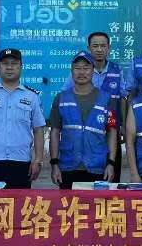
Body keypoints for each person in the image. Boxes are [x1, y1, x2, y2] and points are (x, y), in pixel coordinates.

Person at [0, 48, 46, 188]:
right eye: (5, 63)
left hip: (22, 162)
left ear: (21, 67)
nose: (9, 67)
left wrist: (38, 160)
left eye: (14, 63)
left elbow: (38, 130)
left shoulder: (32, 97)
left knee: (21, 201)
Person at [49, 51, 117, 189]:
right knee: (68, 203)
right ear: (71, 71)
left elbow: (112, 131)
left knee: (96, 203)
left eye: (86, 68)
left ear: (93, 70)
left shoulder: (106, 99)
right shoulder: (61, 98)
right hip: (68, 166)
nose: (81, 72)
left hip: (97, 166)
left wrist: (111, 163)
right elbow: (55, 132)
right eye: (77, 68)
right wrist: (54, 164)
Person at [63, 32, 126, 182]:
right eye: (95, 46)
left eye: (103, 46)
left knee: (111, 177)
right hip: (86, 133)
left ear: (109, 48)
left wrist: (123, 124)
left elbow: (123, 98)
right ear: (89, 48)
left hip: (110, 130)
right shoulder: (80, 72)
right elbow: (65, 97)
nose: (99, 49)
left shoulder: (117, 70)